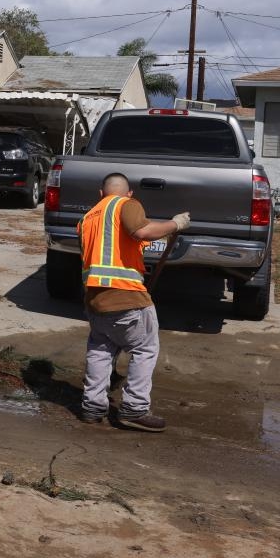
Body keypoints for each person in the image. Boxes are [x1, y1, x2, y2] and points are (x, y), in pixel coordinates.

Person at [77, 172, 190, 432]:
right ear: (129, 193)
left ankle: (92, 407)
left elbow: (114, 251)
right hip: (127, 297)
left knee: (100, 350)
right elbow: (142, 231)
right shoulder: (126, 205)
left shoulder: (86, 219)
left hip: (95, 299)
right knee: (144, 349)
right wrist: (175, 224)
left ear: (100, 194)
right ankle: (134, 409)